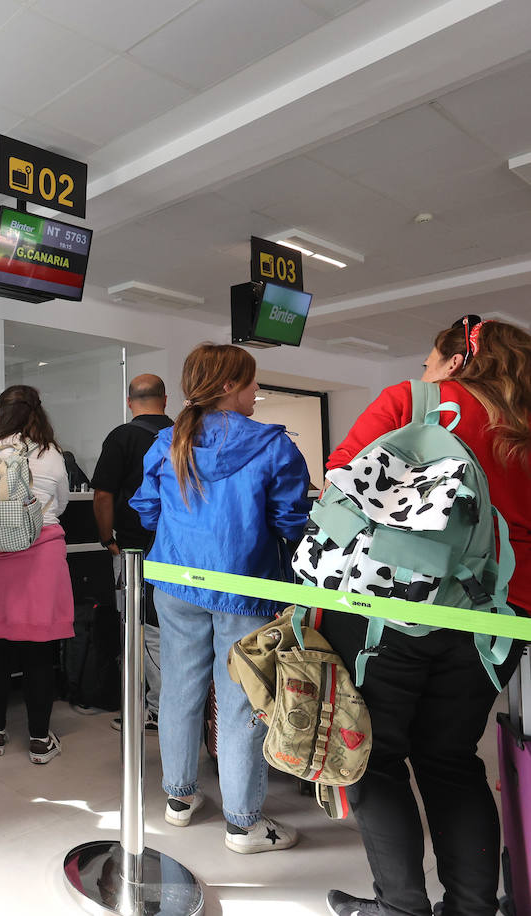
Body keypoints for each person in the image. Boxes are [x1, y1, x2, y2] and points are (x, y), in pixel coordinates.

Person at [323, 317, 531, 916]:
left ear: (455, 360)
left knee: (377, 759)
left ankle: (402, 908)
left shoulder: (413, 402)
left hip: (396, 609)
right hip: (498, 619)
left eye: (428, 361)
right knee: (450, 759)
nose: (424, 372)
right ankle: (471, 908)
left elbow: (341, 482)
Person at [130, 343, 310, 854]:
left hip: (174, 581)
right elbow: (293, 521)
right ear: (229, 386)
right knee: (238, 702)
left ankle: (179, 801)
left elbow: (146, 508)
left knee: (179, 691)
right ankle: (243, 824)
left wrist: (182, 534)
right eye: (252, 383)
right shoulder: (274, 446)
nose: (258, 393)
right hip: (245, 587)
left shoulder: (167, 441)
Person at [0, 385, 75, 763]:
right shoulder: (50, 453)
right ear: (38, 412)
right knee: (39, 650)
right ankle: (39, 740)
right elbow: (60, 503)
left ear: (0, 414)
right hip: (41, 556)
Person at [91, 374, 173, 732]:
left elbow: (103, 495)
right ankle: (177, 705)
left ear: (129, 401)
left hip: (136, 547)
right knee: (175, 627)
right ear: (165, 400)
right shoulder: (184, 434)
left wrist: (107, 539)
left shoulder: (122, 437)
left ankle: (158, 708)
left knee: (142, 627)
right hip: (182, 547)